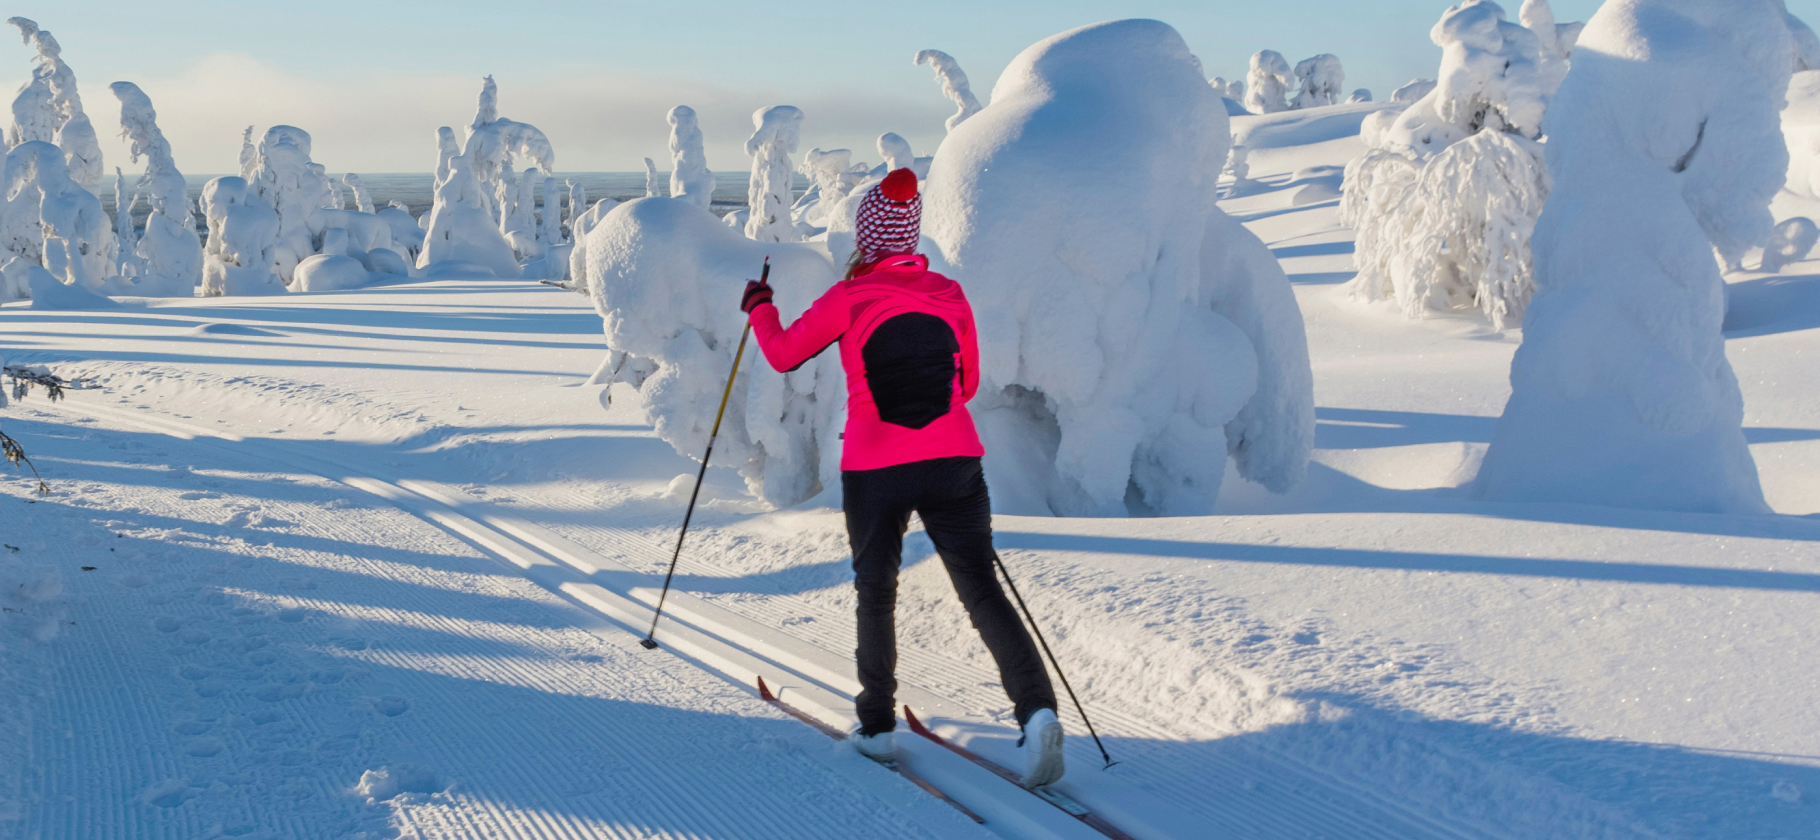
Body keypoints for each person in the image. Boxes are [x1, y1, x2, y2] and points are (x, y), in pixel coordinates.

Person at [740, 168, 1065, 786]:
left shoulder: (849, 298)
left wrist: (761, 307)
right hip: (954, 463)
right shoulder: (949, 293)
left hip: (876, 464)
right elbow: (965, 385)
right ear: (911, 239)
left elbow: (783, 354)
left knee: (876, 590)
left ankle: (878, 727)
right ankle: (1038, 713)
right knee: (982, 589)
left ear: (867, 238)